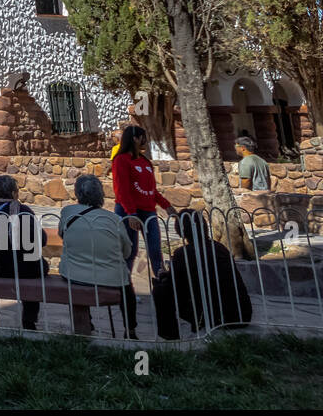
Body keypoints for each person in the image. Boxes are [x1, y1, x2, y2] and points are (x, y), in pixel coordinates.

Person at [154, 209, 253, 339]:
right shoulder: (219, 248)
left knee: (160, 290)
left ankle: (169, 337)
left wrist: (163, 277)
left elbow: (175, 286)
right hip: (240, 314)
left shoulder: (183, 253)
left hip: (214, 316)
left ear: (180, 230)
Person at [59, 174, 138, 338]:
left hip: (74, 274)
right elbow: (126, 252)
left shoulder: (67, 212)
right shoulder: (114, 219)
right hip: (112, 278)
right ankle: (130, 329)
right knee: (127, 287)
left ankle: (86, 320)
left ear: (77, 193)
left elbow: (62, 234)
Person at [0, 174, 47, 330]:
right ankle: (29, 319)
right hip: (23, 269)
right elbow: (42, 240)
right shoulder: (24, 210)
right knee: (36, 264)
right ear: (14, 193)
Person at [111, 124, 177, 279]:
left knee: (155, 248)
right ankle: (125, 287)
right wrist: (131, 213)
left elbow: (151, 189)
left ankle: (162, 282)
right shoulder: (121, 160)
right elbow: (122, 189)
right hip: (128, 211)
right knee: (129, 250)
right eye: (143, 138)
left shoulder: (145, 162)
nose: (145, 141)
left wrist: (166, 205)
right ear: (135, 139)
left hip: (148, 211)